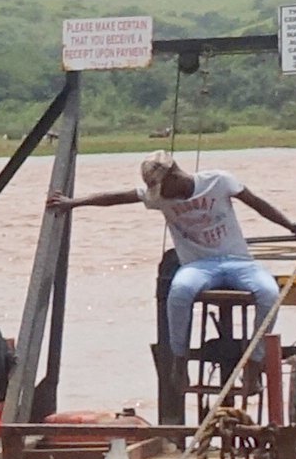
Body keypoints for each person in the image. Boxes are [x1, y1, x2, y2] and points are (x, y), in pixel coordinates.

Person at [85, 155, 280, 420]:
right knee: (179, 292)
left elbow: (258, 204)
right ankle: (180, 360)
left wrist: (294, 228)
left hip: (238, 261)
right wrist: (73, 204)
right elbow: (116, 198)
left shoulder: (219, 181)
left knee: (269, 293)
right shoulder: (159, 197)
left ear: (174, 175)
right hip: (199, 266)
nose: (160, 194)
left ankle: (254, 365)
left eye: (162, 187)